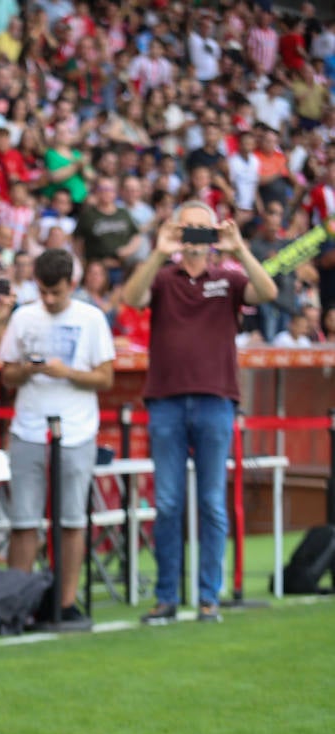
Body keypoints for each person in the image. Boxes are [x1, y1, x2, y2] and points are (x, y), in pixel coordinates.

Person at [120, 200, 277, 625]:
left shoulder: (227, 277)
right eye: (187, 229)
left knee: (211, 502)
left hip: (215, 398)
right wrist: (158, 250)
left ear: (213, 235)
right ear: (175, 230)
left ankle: (208, 597)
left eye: (201, 230)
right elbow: (130, 299)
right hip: (167, 398)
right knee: (168, 503)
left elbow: (268, 293)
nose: (193, 238)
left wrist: (239, 248)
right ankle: (167, 597)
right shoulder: (164, 276)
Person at [0, 249, 115, 625]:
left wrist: (65, 372)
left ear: (72, 284)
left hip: (75, 430)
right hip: (29, 427)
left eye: (56, 292)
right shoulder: (25, 316)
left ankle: (66, 602)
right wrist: (27, 369)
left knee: (72, 520)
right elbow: (6, 375)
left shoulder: (91, 319)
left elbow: (105, 377)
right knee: (24, 521)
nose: (50, 299)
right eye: (44, 292)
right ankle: (15, 605)